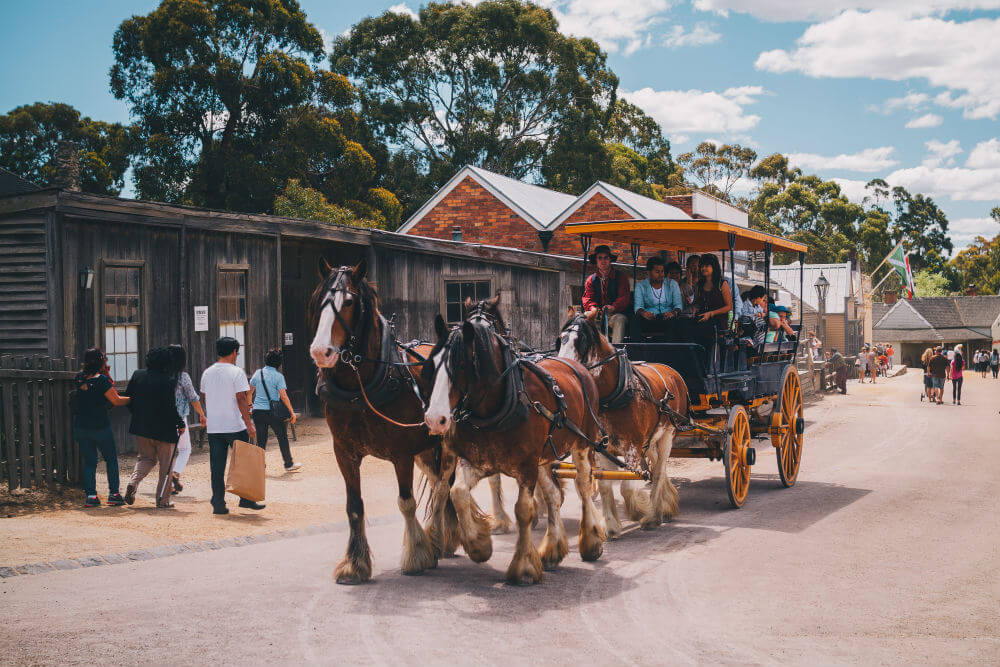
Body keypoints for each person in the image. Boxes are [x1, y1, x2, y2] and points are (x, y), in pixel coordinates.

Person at [202, 336, 262, 515]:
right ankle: (246, 499)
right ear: (234, 352)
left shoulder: (207, 372)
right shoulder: (237, 372)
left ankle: (218, 503)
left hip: (214, 428)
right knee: (244, 464)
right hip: (235, 426)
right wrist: (249, 423)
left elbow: (204, 397)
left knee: (217, 467)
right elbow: (242, 399)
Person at [124, 347, 184, 508]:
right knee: (166, 466)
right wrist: (180, 422)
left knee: (146, 459)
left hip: (141, 427)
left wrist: (137, 414)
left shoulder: (138, 375)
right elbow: (170, 407)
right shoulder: (168, 380)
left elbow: (129, 398)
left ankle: (133, 482)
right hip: (164, 430)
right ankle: (162, 500)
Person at [73, 348, 130, 507]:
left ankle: (91, 496)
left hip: (81, 426)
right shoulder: (102, 380)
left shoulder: (79, 378)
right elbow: (116, 401)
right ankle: (114, 494)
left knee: (90, 462)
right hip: (100, 427)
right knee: (111, 459)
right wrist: (133, 399)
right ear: (100, 361)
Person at [249, 349, 301, 472]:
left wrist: (250, 406)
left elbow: (249, 392)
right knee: (282, 437)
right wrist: (292, 412)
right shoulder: (278, 376)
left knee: (261, 440)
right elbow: (283, 396)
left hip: (258, 411)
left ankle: (259, 466)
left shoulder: (258, 373)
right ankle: (288, 464)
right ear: (279, 363)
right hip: (274, 412)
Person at [168, 344, 205, 494]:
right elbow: (193, 398)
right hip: (179, 419)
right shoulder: (182, 377)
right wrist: (202, 414)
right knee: (185, 449)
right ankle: (175, 474)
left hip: (161, 417)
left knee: (167, 453)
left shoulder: (161, 375)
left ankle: (168, 484)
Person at [582, 244, 630, 344]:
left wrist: (613, 307)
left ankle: (615, 352)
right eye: (600, 258)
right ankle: (591, 350)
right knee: (586, 315)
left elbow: (624, 298)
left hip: (615, 314)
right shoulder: (591, 280)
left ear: (610, 260)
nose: (603, 261)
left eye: (606, 258)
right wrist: (593, 309)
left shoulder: (621, 277)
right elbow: (587, 299)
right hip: (598, 315)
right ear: (596, 260)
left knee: (620, 320)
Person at [692, 253, 733, 365]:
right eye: (702, 266)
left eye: (707, 266)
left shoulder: (722, 283)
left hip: (718, 321)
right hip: (703, 318)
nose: (703, 268)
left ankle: (707, 365)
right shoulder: (700, 284)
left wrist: (711, 313)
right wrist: (695, 308)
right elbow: (696, 303)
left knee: (703, 331)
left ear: (713, 267)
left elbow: (729, 306)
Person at [633, 256, 682, 338]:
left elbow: (678, 305)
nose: (661, 275)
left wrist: (673, 313)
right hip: (649, 318)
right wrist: (644, 313)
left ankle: (671, 349)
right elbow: (638, 307)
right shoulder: (641, 286)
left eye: (662, 271)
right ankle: (638, 349)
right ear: (649, 273)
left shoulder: (672, 284)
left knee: (677, 322)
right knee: (635, 320)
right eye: (657, 272)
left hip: (667, 318)